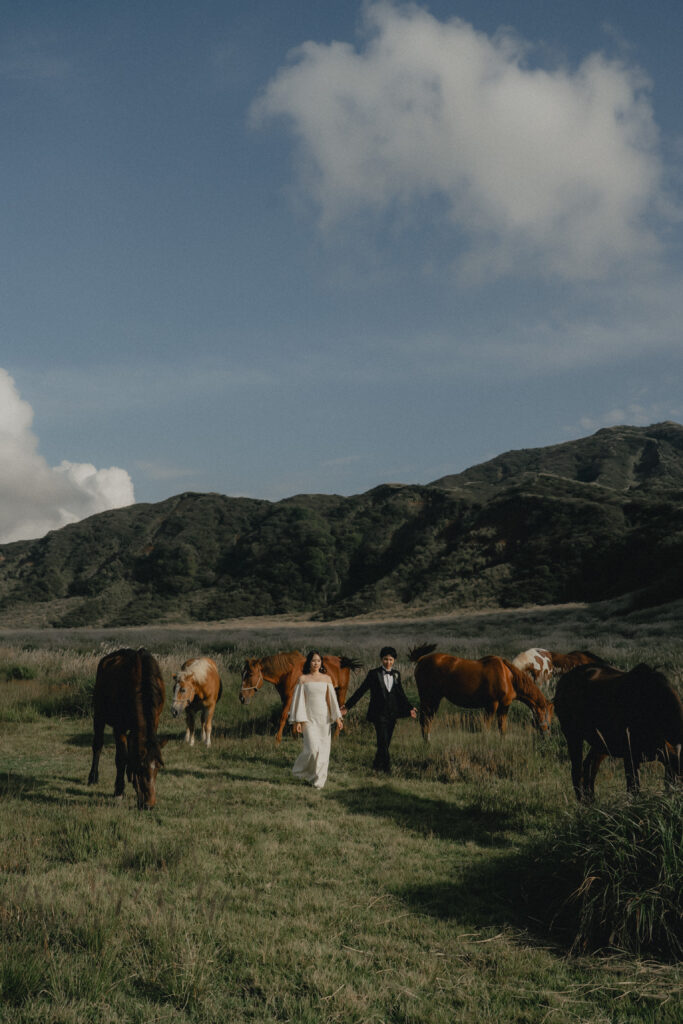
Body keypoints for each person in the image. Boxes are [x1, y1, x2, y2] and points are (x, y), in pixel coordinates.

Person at [341, 646, 417, 774]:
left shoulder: (397, 674)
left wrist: (410, 708)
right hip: (378, 713)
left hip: (392, 713)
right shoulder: (373, 673)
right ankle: (387, 769)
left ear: (394, 660)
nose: (388, 662)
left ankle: (376, 764)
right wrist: (348, 706)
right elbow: (361, 691)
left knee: (386, 742)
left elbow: (401, 694)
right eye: (386, 659)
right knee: (382, 739)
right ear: (381, 659)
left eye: (391, 660)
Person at [288, 650, 343, 789]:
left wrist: (337, 718)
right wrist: (298, 722)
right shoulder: (303, 679)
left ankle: (318, 782)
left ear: (321, 663)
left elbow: (331, 700)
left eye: (318, 661)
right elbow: (299, 701)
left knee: (324, 750)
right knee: (312, 750)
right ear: (309, 662)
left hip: (324, 720)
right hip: (309, 720)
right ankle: (300, 771)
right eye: (313, 661)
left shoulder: (327, 679)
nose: (316, 663)